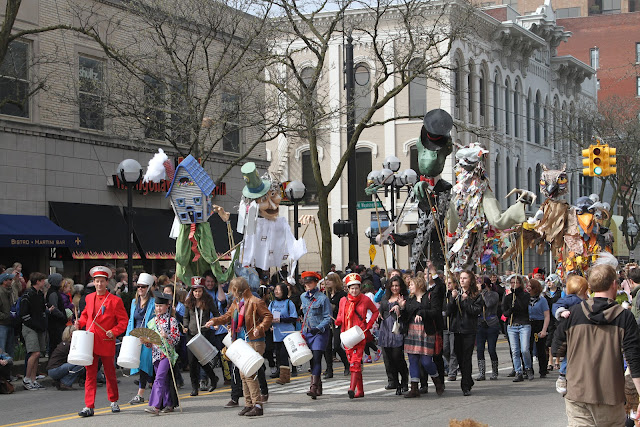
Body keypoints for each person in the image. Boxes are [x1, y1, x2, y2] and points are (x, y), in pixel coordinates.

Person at [553, 264, 640, 426]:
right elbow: (633, 358)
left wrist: (564, 369)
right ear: (614, 284)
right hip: (610, 395)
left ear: (590, 286)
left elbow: (557, 346)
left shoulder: (575, 313)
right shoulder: (624, 317)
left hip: (577, 394)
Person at [208, 276, 273, 417]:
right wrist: (214, 321)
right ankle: (249, 404)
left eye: (233, 290)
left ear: (238, 289)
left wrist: (260, 327)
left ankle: (257, 405)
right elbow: (227, 316)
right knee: (243, 374)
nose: (232, 292)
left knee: (250, 373)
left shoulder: (255, 301)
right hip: (241, 341)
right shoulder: (237, 303)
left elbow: (268, 316)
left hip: (255, 340)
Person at [75, 266, 129, 418]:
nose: (99, 284)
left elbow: (123, 321)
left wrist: (115, 331)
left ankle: (113, 401)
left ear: (107, 282)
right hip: (90, 342)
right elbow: (86, 316)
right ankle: (89, 406)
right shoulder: (89, 298)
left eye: (102, 281)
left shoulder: (115, 301)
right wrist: (79, 323)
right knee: (90, 375)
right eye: (97, 281)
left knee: (110, 373)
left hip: (106, 340)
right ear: (93, 282)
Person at [398, 274, 444, 398]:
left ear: (418, 285)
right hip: (412, 331)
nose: (410, 287)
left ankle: (437, 381)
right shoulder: (409, 299)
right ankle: (414, 388)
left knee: (426, 361)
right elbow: (405, 317)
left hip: (426, 331)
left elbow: (435, 311)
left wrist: (422, 313)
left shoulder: (429, 296)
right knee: (412, 360)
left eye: (412, 284)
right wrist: (401, 308)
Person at [334, 273, 379, 399]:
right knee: (354, 363)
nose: (354, 291)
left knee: (355, 362)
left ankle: (351, 388)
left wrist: (369, 325)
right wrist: (337, 321)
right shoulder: (343, 300)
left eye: (356, 288)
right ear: (348, 289)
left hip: (360, 334)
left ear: (360, 288)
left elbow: (375, 311)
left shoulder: (365, 299)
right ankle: (361, 390)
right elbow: (340, 315)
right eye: (352, 288)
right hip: (347, 335)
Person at [551, 274, 589, 395]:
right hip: (570, 331)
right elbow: (556, 306)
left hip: (575, 331)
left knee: (574, 355)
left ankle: (566, 376)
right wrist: (562, 312)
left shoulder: (584, 300)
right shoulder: (572, 299)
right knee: (570, 355)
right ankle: (562, 375)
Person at [144, 291, 181, 415]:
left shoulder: (172, 321)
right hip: (156, 355)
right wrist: (146, 342)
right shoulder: (152, 322)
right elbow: (150, 344)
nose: (158, 308)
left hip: (167, 355)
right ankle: (169, 404)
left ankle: (155, 406)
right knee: (163, 380)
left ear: (167, 306)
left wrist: (167, 336)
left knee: (158, 379)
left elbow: (176, 339)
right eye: (156, 306)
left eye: (161, 306)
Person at [446, 270, 482, 396]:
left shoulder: (476, 295)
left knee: (466, 358)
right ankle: (468, 379)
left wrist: (466, 301)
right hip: (456, 330)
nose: (462, 280)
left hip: (468, 330)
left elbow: (476, 311)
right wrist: (452, 299)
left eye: (465, 278)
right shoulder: (456, 293)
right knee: (459, 357)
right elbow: (448, 312)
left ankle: (465, 385)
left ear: (470, 280)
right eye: (461, 278)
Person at [183, 276, 220, 396]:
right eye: (195, 291)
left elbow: (216, 314)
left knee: (203, 361)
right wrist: (185, 326)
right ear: (192, 292)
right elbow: (185, 317)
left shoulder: (208, 301)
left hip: (204, 333)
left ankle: (213, 378)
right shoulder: (189, 302)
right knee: (192, 361)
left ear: (203, 291)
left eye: (199, 291)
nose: (197, 293)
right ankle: (195, 387)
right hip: (192, 334)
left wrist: (214, 323)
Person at [300, 271, 332, 399]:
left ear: (315, 283)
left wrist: (318, 328)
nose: (308, 285)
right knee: (312, 359)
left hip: (320, 332)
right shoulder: (303, 297)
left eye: (310, 282)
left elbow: (328, 317)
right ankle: (318, 385)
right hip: (307, 332)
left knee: (317, 357)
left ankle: (313, 387)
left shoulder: (323, 298)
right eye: (306, 283)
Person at [125, 273, 156, 404]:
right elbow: (131, 319)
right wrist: (128, 336)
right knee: (141, 364)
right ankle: (155, 387)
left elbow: (156, 320)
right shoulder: (134, 302)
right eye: (138, 287)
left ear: (148, 288)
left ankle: (140, 393)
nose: (140, 289)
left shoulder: (154, 302)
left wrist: (152, 337)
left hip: (149, 336)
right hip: (136, 336)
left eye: (143, 287)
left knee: (145, 363)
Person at [378, 275, 409, 395]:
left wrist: (401, 307)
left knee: (397, 357)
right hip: (385, 329)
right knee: (389, 359)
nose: (395, 288)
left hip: (397, 330)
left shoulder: (404, 297)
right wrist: (379, 313)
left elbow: (407, 314)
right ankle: (396, 383)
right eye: (393, 286)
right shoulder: (386, 298)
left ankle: (405, 381)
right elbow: (382, 308)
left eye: (397, 286)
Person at [19, 272, 48, 390]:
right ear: (38, 281)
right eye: (43, 280)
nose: (44, 282)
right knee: (34, 352)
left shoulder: (40, 294)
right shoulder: (27, 294)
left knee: (38, 354)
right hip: (29, 327)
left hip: (39, 327)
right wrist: (34, 324)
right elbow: (24, 314)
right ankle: (26, 379)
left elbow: (42, 310)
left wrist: (42, 323)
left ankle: (33, 379)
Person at [502, 274, 533, 383]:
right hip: (512, 325)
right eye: (511, 283)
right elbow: (504, 312)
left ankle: (528, 367)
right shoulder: (508, 297)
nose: (513, 285)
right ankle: (518, 371)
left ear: (520, 284)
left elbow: (523, 307)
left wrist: (517, 299)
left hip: (524, 324)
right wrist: (510, 309)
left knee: (524, 349)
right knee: (515, 350)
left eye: (516, 283)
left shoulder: (525, 295)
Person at [268, 282, 297, 385]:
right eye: (275, 289)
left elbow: (294, 317)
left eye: (278, 290)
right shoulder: (272, 304)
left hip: (287, 333)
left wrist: (281, 320)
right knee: (279, 355)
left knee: (284, 354)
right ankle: (282, 374)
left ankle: (284, 377)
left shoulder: (289, 303)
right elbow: (268, 316)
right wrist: (270, 323)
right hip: (276, 333)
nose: (276, 291)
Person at [324, 272, 349, 377]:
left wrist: (335, 307)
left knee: (337, 345)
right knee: (327, 347)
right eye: (326, 280)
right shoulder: (326, 294)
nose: (327, 282)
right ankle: (329, 369)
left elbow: (345, 308)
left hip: (338, 322)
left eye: (329, 280)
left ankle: (347, 364)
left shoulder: (342, 294)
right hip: (327, 322)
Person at [476, 276, 500, 381]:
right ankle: (482, 372)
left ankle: (494, 371)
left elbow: (489, 304)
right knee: (480, 349)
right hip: (480, 324)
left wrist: (483, 293)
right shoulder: (476, 295)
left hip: (492, 324)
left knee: (491, 349)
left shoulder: (494, 294)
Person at [47, 325, 85, 390]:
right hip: (55, 369)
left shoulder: (64, 344)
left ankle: (60, 380)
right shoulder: (69, 346)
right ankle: (65, 382)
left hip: (53, 369)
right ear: (71, 334)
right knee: (80, 364)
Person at [527, 279, 550, 379]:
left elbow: (547, 316)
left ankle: (543, 370)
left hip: (539, 323)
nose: (527, 287)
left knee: (540, 349)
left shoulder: (542, 300)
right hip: (528, 323)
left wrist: (544, 329)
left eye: (529, 286)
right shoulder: (526, 299)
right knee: (528, 348)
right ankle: (529, 369)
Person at [543, 274, 562, 372]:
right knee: (549, 339)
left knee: (558, 338)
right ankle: (550, 361)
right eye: (548, 282)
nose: (549, 283)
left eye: (551, 281)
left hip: (558, 318)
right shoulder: (545, 294)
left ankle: (557, 360)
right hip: (549, 318)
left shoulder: (561, 293)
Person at [46, 273, 67, 360]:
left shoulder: (55, 292)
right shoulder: (53, 293)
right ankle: (53, 362)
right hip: (55, 324)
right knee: (55, 344)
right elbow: (54, 308)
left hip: (57, 323)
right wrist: (62, 316)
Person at [443, 275, 459, 381]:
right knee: (445, 350)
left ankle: (452, 372)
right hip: (445, 327)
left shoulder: (457, 295)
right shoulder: (444, 295)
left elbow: (450, 310)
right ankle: (451, 366)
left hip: (454, 326)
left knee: (453, 350)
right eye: (447, 283)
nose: (448, 285)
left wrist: (453, 298)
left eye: (450, 283)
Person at [0, 272, 15, 358]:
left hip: (10, 323)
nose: (11, 281)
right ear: (4, 281)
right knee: (2, 349)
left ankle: (9, 370)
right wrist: (5, 316)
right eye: (9, 279)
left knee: (10, 349)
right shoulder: (1, 292)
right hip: (2, 324)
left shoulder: (10, 292)